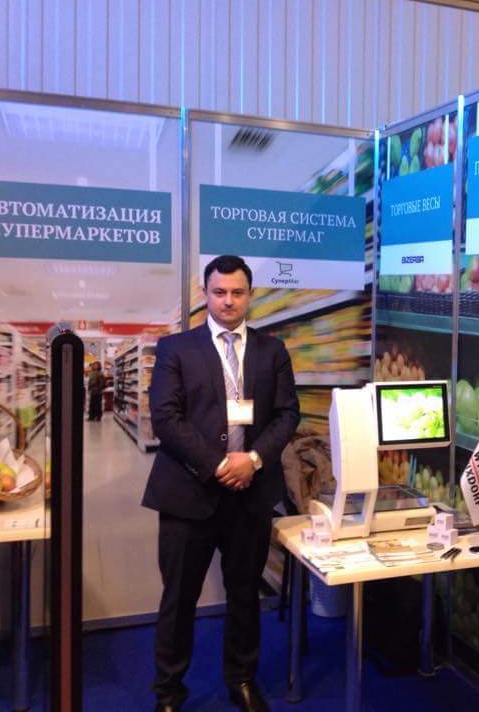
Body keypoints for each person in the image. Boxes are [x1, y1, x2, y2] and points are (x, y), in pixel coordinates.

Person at [142, 255, 300, 712]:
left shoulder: (273, 350)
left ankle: (242, 679)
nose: (228, 301)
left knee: (245, 595)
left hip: (250, 495)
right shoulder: (176, 349)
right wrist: (218, 465)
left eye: (237, 292)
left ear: (250, 295)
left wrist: (253, 459)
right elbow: (166, 418)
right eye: (219, 292)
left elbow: (287, 414)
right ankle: (169, 691)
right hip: (188, 493)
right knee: (178, 599)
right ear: (205, 294)